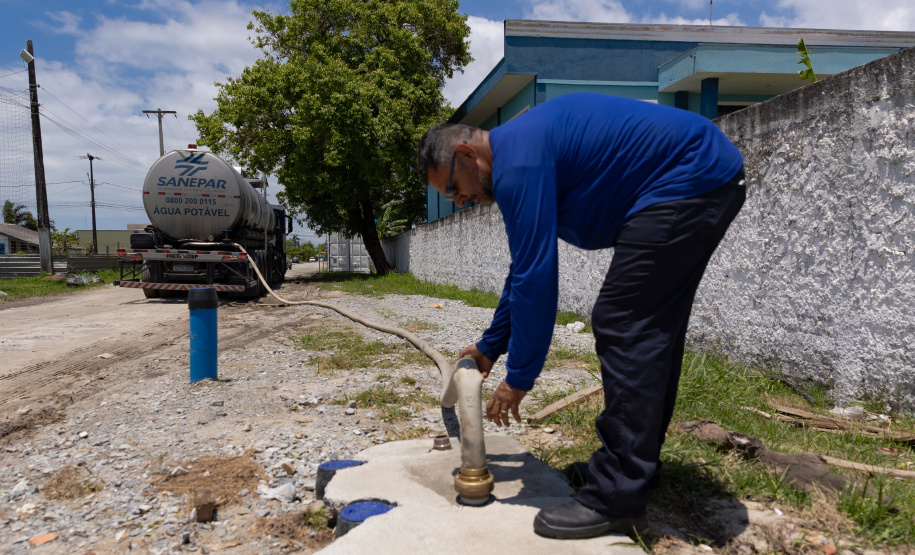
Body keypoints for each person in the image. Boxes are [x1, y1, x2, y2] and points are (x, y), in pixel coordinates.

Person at [416, 93, 745, 540]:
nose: (458, 200)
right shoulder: (519, 152)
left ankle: (617, 497)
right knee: (649, 328)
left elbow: (536, 278)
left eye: (454, 188)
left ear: (466, 154)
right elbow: (524, 268)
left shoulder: (519, 165)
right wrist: (493, 344)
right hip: (699, 175)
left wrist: (520, 378)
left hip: (688, 178)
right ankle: (633, 468)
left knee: (624, 321)